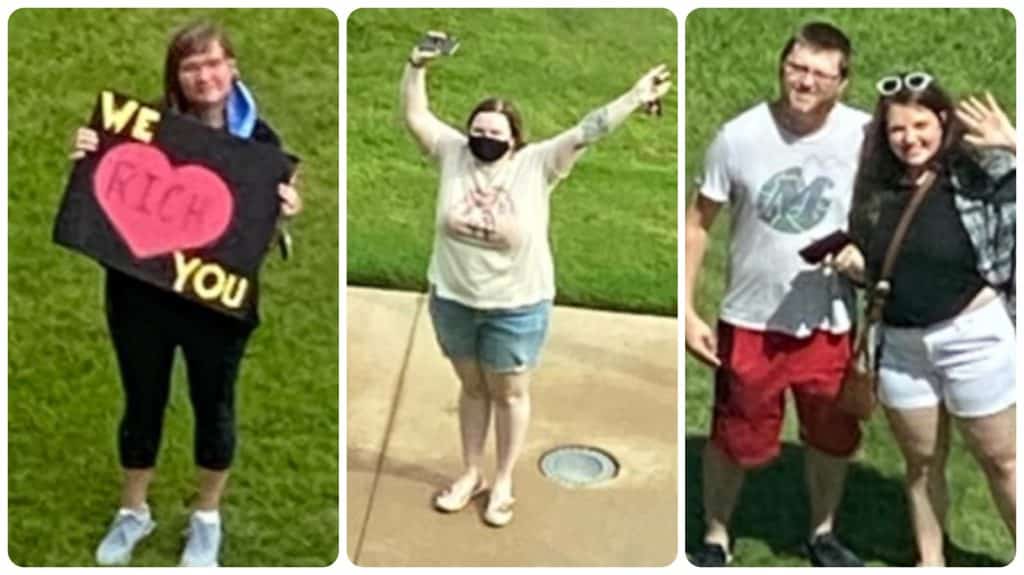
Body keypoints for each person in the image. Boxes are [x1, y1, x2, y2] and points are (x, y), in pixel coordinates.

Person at [400, 31, 670, 527]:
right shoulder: (453, 153)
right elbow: (416, 116)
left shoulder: (539, 163)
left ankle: (502, 481)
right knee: (472, 387)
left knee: (508, 392)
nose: (485, 138)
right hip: (454, 299)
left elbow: (589, 129)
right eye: (478, 129)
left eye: (496, 132)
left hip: (516, 306)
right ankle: (470, 473)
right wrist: (415, 66)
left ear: (514, 139)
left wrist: (635, 96)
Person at [68, 22, 302, 567]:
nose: (205, 76)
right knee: (142, 402)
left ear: (233, 67)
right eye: (191, 66)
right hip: (140, 295)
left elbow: (251, 234)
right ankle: (134, 512)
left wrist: (283, 209)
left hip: (216, 305)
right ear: (176, 76)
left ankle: (206, 518)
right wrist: (90, 153)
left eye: (213, 63)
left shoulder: (261, 144)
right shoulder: (139, 130)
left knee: (214, 407)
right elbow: (105, 198)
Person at [684, 22, 870, 567]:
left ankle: (822, 532)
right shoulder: (739, 136)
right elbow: (698, 225)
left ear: (842, 81)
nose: (805, 82)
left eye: (820, 73)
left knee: (831, 434)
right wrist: (688, 308)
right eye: (797, 68)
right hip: (751, 320)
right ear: (782, 66)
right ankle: (717, 535)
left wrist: (864, 256)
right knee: (732, 435)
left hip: (830, 321)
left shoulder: (865, 136)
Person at [831, 74, 1015, 566]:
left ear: (943, 121)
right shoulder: (873, 187)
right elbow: (876, 262)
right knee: (921, 464)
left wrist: (1015, 146)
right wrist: (855, 265)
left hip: (973, 338)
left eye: (920, 125)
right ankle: (929, 562)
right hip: (901, 348)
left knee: (1002, 461)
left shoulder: (976, 172)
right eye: (897, 130)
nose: (910, 138)